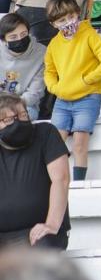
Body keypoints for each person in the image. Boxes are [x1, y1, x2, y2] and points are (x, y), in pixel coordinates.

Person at [44, 0, 101, 180]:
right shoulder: (54, 44)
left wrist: (87, 80)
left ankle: (78, 183)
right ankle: (54, 182)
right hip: (62, 100)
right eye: (62, 20)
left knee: (79, 144)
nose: (68, 22)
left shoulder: (89, 34)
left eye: (71, 16)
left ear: (77, 13)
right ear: (54, 24)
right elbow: (49, 71)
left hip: (88, 98)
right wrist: (55, 88)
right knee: (55, 145)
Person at [0, 91, 70, 249]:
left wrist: (51, 225)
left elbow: (61, 180)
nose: (17, 122)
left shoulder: (46, 133)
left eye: (22, 115)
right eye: (8, 119)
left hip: (40, 232)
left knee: (43, 246)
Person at [0, 15, 45, 122]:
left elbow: (35, 92)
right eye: (13, 37)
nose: (20, 39)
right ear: (4, 40)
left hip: (26, 106)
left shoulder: (42, 53)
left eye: (23, 34)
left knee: (15, 119)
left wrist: (13, 106)